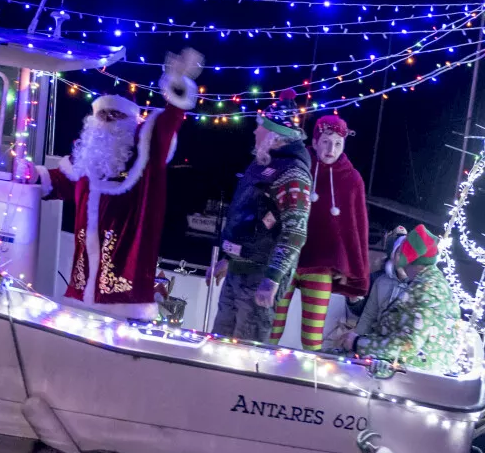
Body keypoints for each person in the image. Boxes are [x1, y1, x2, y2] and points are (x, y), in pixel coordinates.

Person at [36, 49, 202, 320]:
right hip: (80, 292)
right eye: (103, 116)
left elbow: (167, 123)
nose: (108, 123)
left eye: (116, 116)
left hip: (123, 299)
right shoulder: (88, 161)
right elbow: (60, 180)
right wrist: (30, 174)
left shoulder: (145, 160)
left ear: (131, 122)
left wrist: (177, 82)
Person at [210, 89, 312, 342]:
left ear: (275, 138)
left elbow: (295, 233)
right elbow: (244, 219)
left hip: (260, 277)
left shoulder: (293, 174)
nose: (255, 132)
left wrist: (273, 279)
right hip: (238, 271)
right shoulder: (259, 166)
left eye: (260, 128)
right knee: (219, 342)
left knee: (245, 349)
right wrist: (228, 258)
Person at [271, 112, 370, 351]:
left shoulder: (352, 179)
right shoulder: (298, 165)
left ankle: (308, 382)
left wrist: (353, 272)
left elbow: (357, 226)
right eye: (326, 141)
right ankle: (258, 371)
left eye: (338, 143)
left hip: (322, 268)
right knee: (271, 326)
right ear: (314, 142)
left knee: (312, 337)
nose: (331, 148)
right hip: (287, 260)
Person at [334, 224, 463, 374]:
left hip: (407, 373)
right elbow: (371, 316)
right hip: (399, 364)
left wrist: (357, 343)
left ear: (410, 261)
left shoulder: (426, 291)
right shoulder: (432, 283)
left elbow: (407, 345)